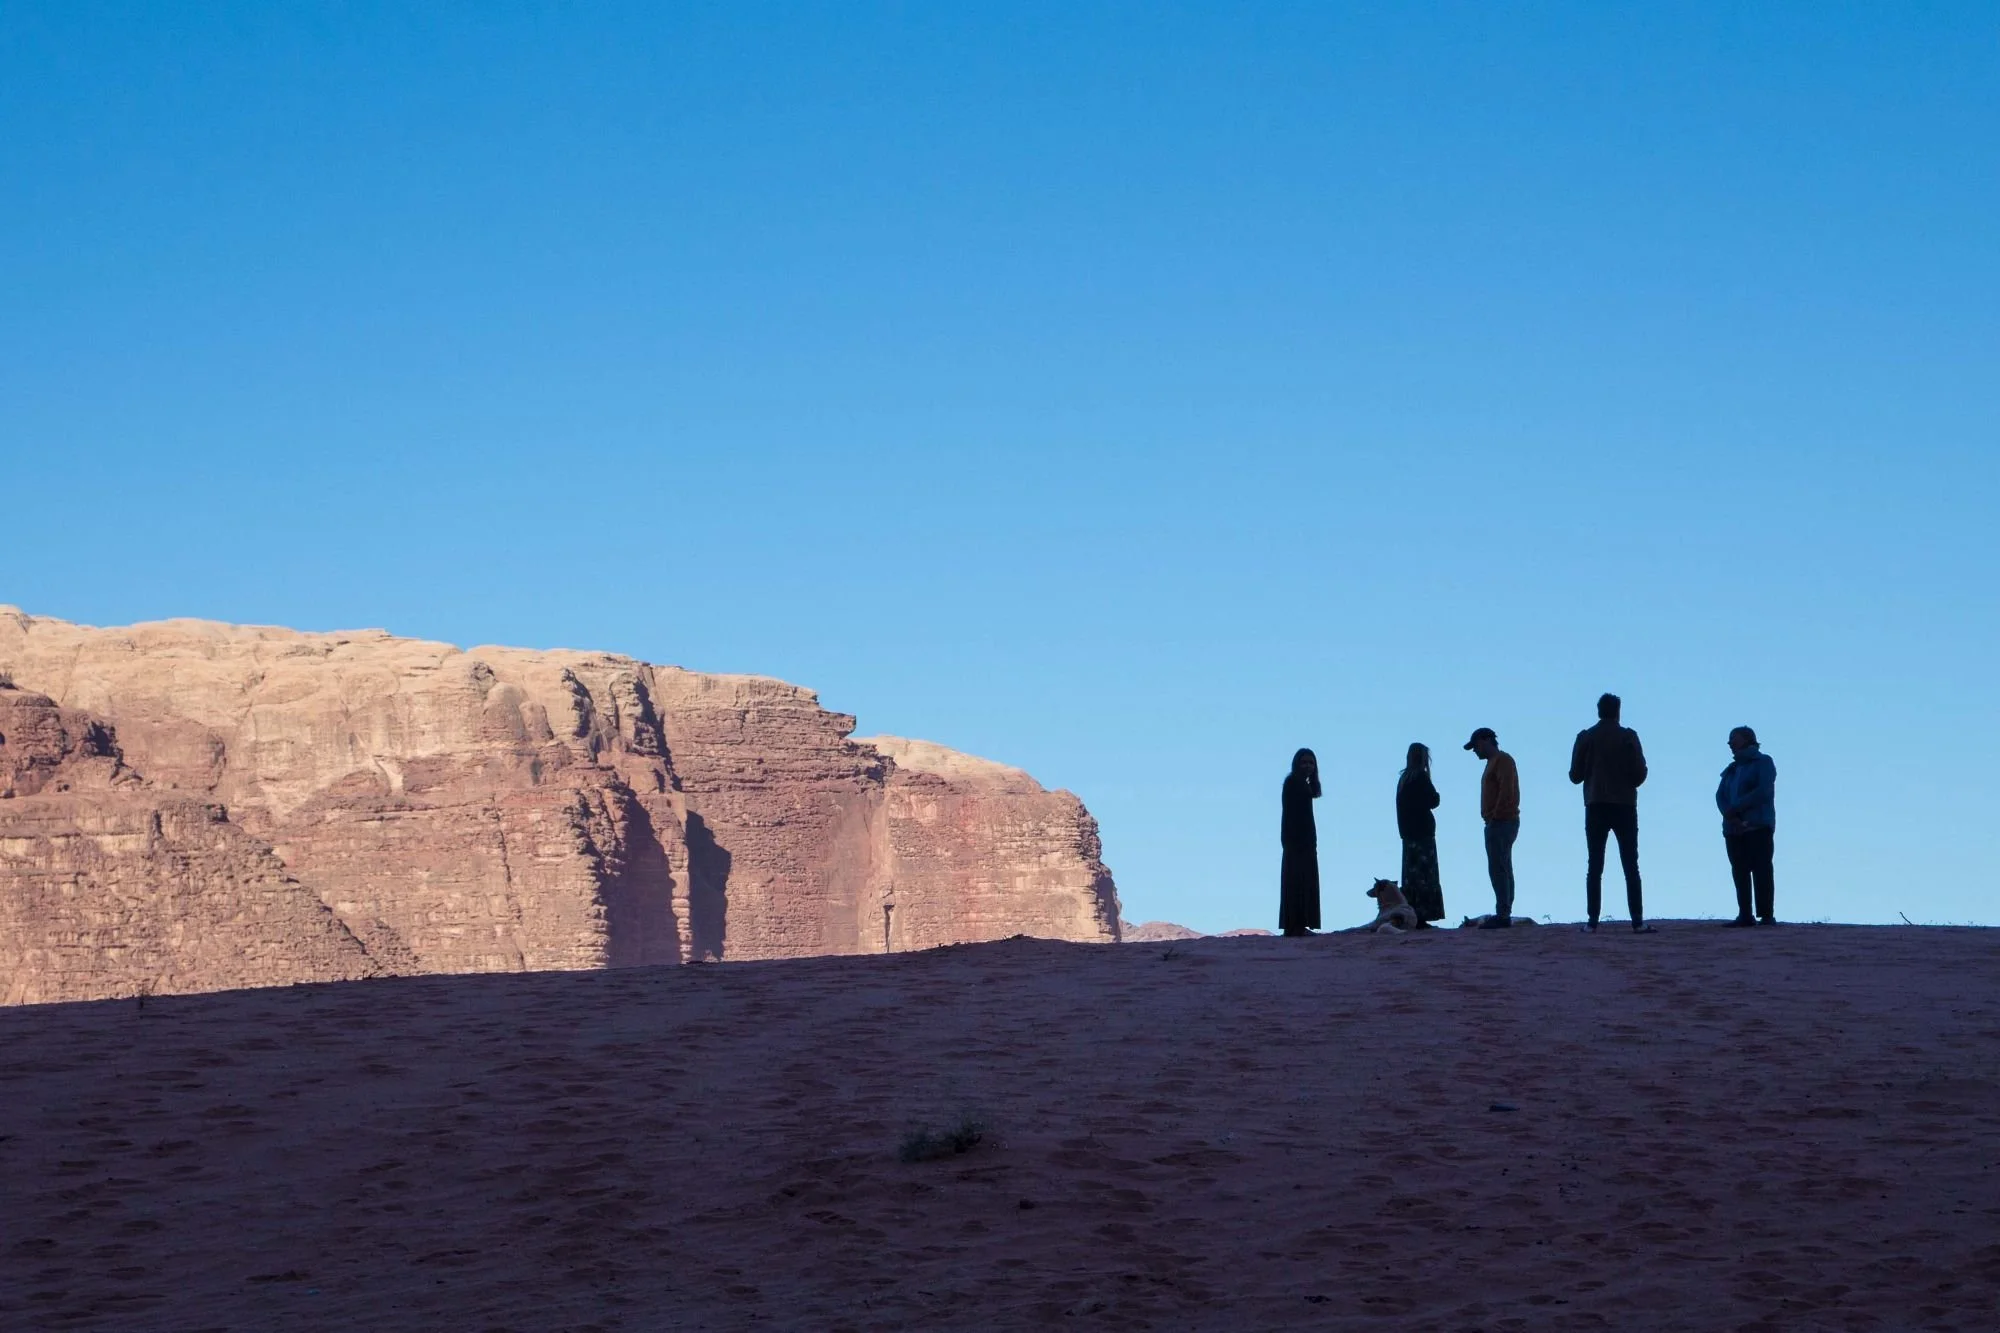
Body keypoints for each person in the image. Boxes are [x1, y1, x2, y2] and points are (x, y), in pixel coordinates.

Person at [1569, 692, 1651, 933]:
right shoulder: (1628, 737)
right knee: (1630, 865)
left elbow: (1575, 776)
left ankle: (1592, 921)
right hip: (1625, 805)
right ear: (1618, 711)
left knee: (1595, 865)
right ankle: (1637, 920)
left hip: (1595, 804)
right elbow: (1639, 775)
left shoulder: (1586, 737)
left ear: (1598, 711)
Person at [1716, 726, 1778, 926]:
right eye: (1730, 739)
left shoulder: (1764, 762)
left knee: (1762, 869)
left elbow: (1763, 791)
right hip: (1733, 829)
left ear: (1748, 740)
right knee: (1739, 870)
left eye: (1734, 739)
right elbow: (1720, 796)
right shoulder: (1731, 770)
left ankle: (1766, 915)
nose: (1730, 743)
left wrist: (1736, 808)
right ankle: (1745, 914)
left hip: (1758, 825)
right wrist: (1730, 815)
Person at [1463, 727, 1519, 927]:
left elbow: (1506, 791)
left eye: (1476, 746)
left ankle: (1503, 914)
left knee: (1499, 867)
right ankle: (1504, 911)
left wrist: (1495, 816)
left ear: (1487, 740)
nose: (1475, 751)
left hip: (1502, 822)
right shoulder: (1493, 763)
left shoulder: (1502, 760)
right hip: (1497, 821)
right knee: (1501, 866)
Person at [1395, 742, 1445, 926]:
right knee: (1425, 874)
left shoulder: (1404, 779)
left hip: (1408, 833)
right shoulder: (1421, 777)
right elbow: (1433, 800)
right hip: (1423, 832)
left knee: (1411, 874)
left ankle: (1411, 913)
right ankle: (1423, 914)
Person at [1279, 748, 1322, 936]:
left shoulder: (1300, 784)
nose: (1308, 766)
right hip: (1297, 841)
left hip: (1303, 841)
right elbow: (1293, 816)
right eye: (1304, 762)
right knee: (1297, 881)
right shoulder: (1293, 783)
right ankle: (1295, 924)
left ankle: (1299, 924)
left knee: (1303, 880)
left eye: (1311, 763)